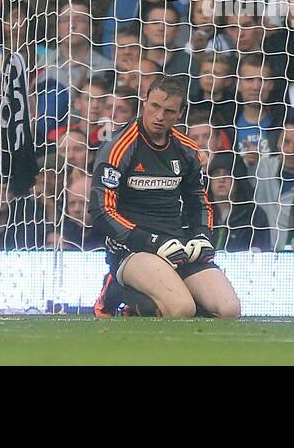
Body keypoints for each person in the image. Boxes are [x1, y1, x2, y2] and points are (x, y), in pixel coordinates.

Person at [88, 76, 241, 319]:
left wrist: (202, 236)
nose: (159, 116)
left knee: (229, 310)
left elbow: (200, 203)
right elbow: (101, 211)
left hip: (176, 245)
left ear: (180, 114)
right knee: (181, 310)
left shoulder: (187, 150)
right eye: (155, 107)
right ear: (144, 103)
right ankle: (120, 291)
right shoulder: (119, 147)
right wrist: (152, 242)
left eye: (169, 111)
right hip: (132, 248)